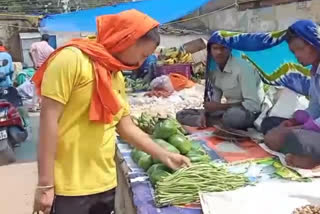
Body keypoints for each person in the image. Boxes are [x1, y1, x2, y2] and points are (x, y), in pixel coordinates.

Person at [32, 10, 190, 214]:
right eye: (142, 55)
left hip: (105, 182)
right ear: (127, 39)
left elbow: (124, 126)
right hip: (70, 186)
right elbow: (48, 122)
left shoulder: (115, 75)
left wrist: (164, 155)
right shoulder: (71, 59)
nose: (141, 63)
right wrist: (45, 184)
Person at [262, 20, 320, 169]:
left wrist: (299, 128)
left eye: (299, 49)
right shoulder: (314, 71)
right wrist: (295, 121)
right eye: (293, 52)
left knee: (296, 138)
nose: (297, 56)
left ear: (314, 43)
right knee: (269, 123)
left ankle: (312, 157)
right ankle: (308, 154)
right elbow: (315, 107)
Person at [176, 37, 265, 130]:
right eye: (215, 48)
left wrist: (220, 107)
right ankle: (214, 122)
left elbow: (253, 105)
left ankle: (213, 122)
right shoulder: (215, 72)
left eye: (223, 48)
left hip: (249, 114)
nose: (219, 52)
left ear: (229, 49)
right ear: (210, 51)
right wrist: (206, 112)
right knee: (181, 114)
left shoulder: (243, 68)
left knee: (233, 116)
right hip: (227, 111)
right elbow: (215, 102)